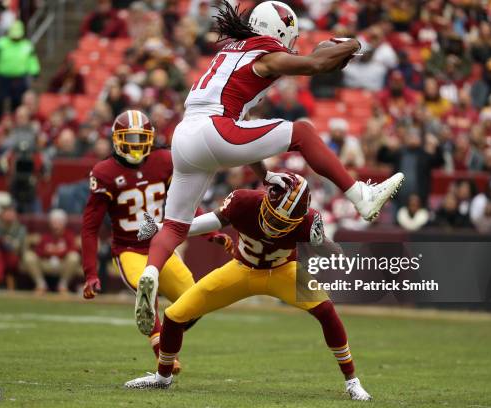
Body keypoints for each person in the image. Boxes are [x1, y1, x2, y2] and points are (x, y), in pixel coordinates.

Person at [137, 1, 404, 336]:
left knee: (174, 227)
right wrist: (356, 44)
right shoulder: (265, 52)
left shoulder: (231, 51)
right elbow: (317, 64)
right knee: (303, 132)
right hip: (215, 129)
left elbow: (244, 126)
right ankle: (359, 194)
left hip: (185, 137)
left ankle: (150, 272)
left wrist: (263, 176)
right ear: (279, 32)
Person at [125, 174, 372, 401]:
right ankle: (162, 378)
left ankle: (352, 381)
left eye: (285, 220)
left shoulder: (308, 221)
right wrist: (161, 228)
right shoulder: (244, 201)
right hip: (242, 269)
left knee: (327, 311)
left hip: (283, 271)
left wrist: (322, 242)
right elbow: (207, 222)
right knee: (174, 315)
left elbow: (336, 253)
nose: (276, 224)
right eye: (275, 216)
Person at [81, 110, 230, 373]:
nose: (136, 144)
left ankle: (163, 330)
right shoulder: (104, 171)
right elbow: (90, 226)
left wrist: (209, 233)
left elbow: (185, 203)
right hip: (130, 250)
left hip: (162, 246)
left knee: (195, 303)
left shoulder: (163, 160)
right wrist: (90, 272)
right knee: (145, 292)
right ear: (116, 140)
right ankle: (163, 353)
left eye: (142, 138)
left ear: (151, 138)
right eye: (130, 138)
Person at [0, 20, 41, 122]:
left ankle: (15, 121)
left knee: (17, 102)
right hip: (2, 77)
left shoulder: (27, 45)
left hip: (19, 78)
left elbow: (32, 60)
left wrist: (35, 71)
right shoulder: (1, 42)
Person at [22, 209, 81, 294]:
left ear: (64, 223)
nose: (56, 225)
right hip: (46, 263)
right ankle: (41, 285)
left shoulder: (69, 235)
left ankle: (63, 286)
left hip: (62, 263)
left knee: (74, 257)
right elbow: (38, 251)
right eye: (54, 222)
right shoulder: (46, 235)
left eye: (59, 222)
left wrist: (55, 251)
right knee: (28, 256)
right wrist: (51, 252)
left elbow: (73, 250)